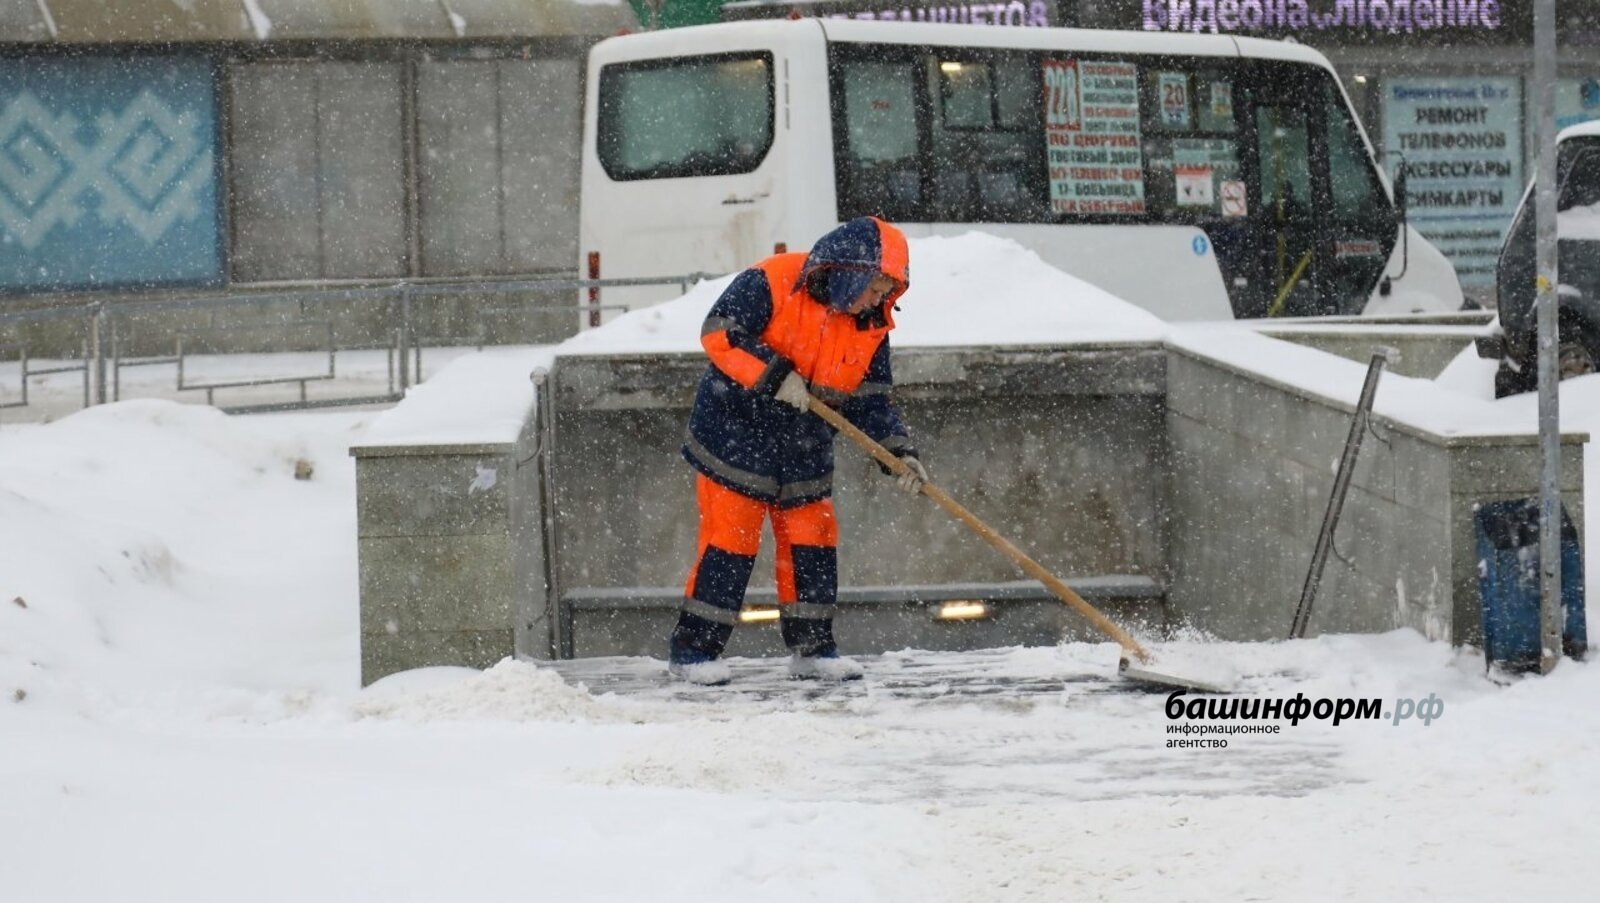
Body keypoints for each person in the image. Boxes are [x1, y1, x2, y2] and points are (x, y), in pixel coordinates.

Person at [667, 216, 928, 685]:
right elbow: (720, 332)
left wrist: (897, 453)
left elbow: (871, 399)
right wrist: (773, 375)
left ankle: (813, 651)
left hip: (804, 444)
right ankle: (694, 654)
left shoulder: (871, 325)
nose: (880, 299)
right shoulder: (774, 279)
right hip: (736, 433)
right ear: (850, 270)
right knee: (731, 540)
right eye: (876, 286)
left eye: (889, 290)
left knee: (814, 539)